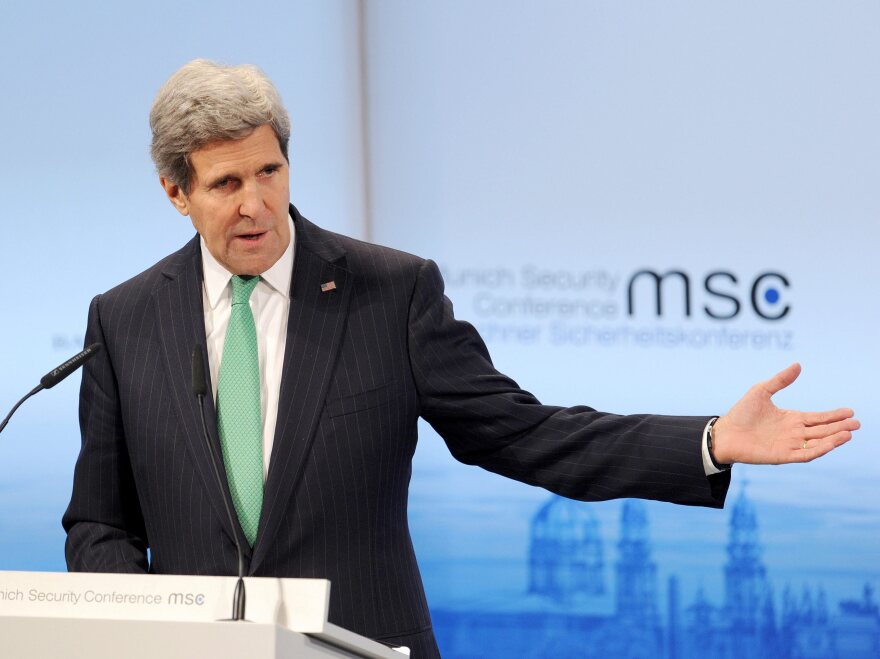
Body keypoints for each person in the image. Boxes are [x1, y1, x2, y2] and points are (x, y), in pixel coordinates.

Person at [62, 60, 859, 658]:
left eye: (270, 171)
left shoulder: (390, 292)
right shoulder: (124, 319)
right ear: (176, 192)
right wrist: (150, 632)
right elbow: (100, 521)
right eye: (225, 182)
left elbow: (524, 433)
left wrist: (710, 439)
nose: (256, 204)